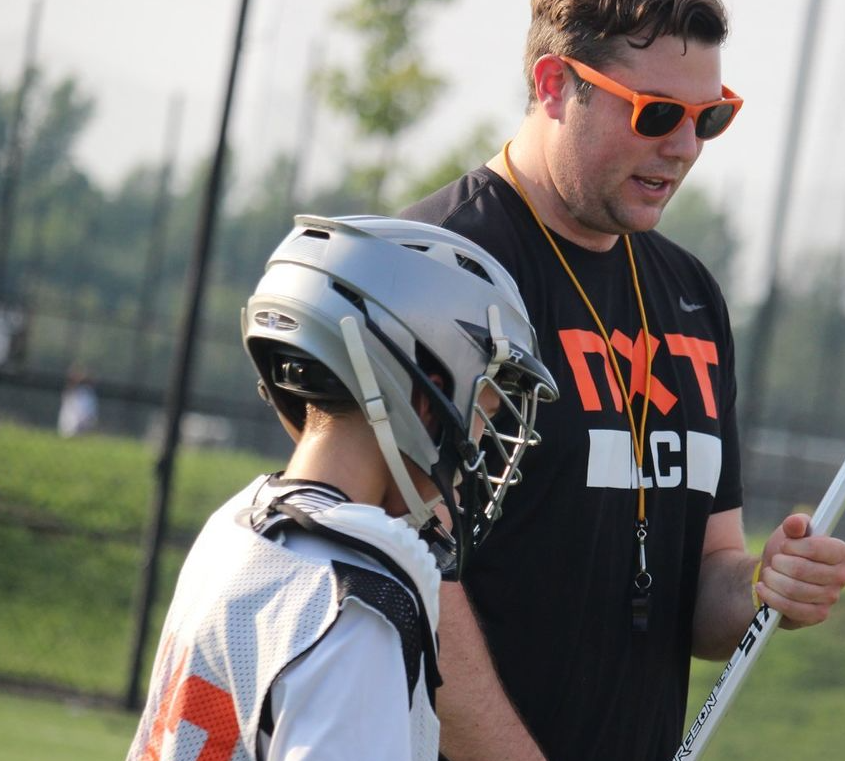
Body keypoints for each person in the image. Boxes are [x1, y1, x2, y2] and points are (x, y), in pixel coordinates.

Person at [402, 0, 845, 761]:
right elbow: (407, 575)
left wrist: (764, 585)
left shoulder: (691, 296)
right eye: (655, 114)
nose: (684, 147)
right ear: (554, 85)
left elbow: (705, 584)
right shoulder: (441, 267)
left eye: (709, 117)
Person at [126, 215, 557, 761]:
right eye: (483, 414)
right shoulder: (356, 607)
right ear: (427, 397)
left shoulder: (235, 527)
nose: (479, 448)